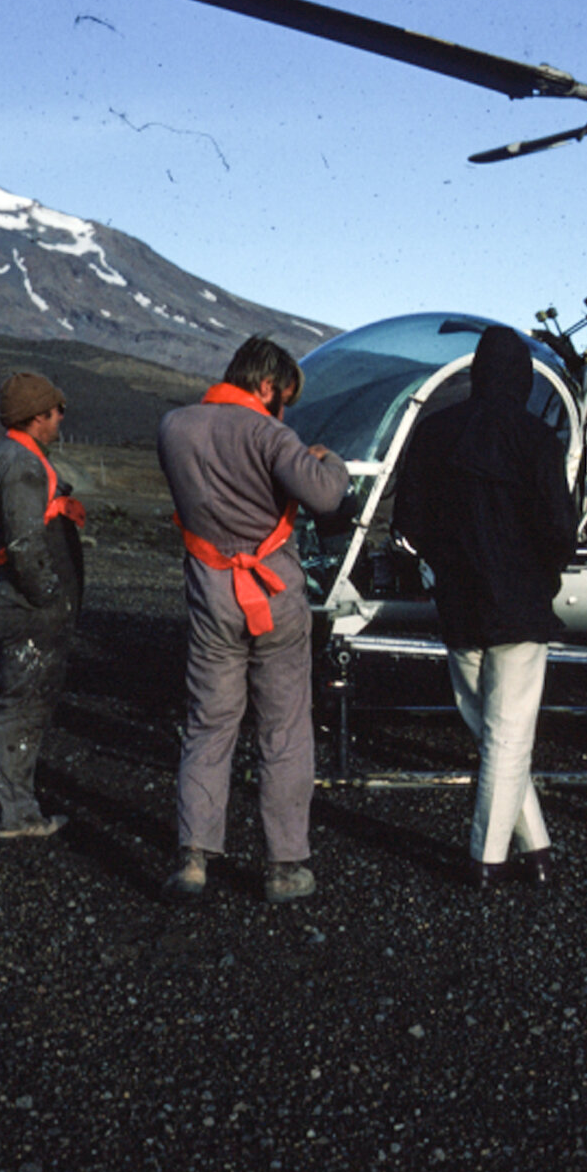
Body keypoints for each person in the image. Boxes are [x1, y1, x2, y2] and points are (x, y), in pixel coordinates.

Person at [156, 336, 350, 903]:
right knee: (283, 729)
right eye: (282, 397)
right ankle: (285, 867)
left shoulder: (174, 426)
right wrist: (325, 459)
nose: (282, 409)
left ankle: (194, 859)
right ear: (266, 386)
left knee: (208, 726)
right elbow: (326, 496)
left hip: (210, 594)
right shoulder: (271, 434)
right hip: (273, 595)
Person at [394, 325, 578, 889]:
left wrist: (448, 564)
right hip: (520, 606)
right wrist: (540, 574)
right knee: (509, 734)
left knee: (493, 733)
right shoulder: (538, 439)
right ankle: (486, 860)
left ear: (475, 372)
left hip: (459, 605)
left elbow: (409, 523)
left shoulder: (434, 433)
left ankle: (538, 849)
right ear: (523, 377)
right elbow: (562, 532)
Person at [0, 372, 84, 839]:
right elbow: (22, 543)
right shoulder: (22, 466)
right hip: (31, 608)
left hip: (17, 601)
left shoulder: (5, 458)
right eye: (56, 412)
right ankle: (16, 814)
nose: (60, 420)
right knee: (25, 708)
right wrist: (50, 596)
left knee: (14, 703)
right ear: (38, 416)